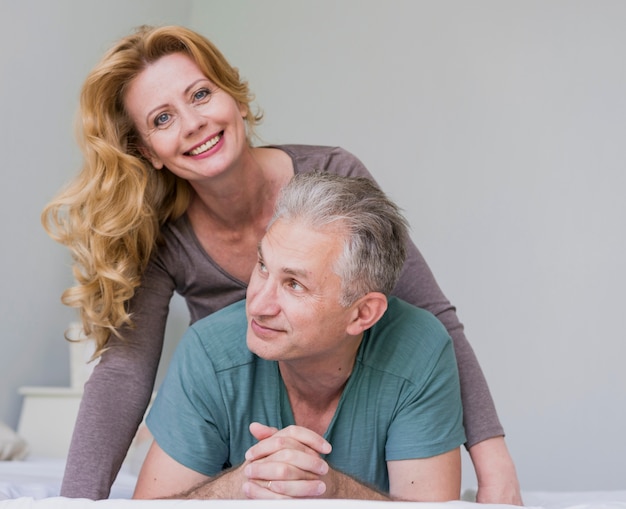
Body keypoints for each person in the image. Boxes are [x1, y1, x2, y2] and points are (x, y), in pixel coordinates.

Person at [41, 24, 521, 504]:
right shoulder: (162, 234)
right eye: (162, 119)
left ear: (238, 99)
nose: (192, 123)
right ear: (149, 152)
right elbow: (124, 371)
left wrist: (495, 468)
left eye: (201, 95)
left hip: (348, 411)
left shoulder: (332, 179)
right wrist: (76, 503)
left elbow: (430, 315)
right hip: (239, 428)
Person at [133, 172, 466, 501]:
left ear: (363, 313)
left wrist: (330, 489)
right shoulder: (208, 352)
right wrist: (241, 485)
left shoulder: (419, 349)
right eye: (262, 265)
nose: (258, 304)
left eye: (294, 284)